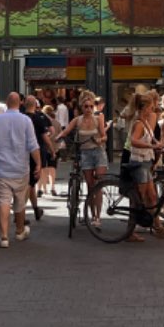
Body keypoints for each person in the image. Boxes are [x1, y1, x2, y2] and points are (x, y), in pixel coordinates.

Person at [0, 91, 39, 248]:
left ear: (6, 103)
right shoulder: (26, 120)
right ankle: (20, 231)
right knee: (20, 202)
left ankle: (4, 237)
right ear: (20, 103)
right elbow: (33, 145)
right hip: (21, 168)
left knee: (3, 201)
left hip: (1, 168)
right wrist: (39, 164)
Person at [56, 91, 107, 229]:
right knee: (91, 186)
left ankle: (98, 217)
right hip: (85, 153)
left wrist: (100, 140)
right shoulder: (77, 120)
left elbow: (104, 136)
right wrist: (58, 137)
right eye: (86, 106)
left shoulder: (99, 118)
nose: (89, 109)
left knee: (99, 184)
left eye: (91, 106)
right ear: (81, 107)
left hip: (98, 152)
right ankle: (92, 215)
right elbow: (66, 131)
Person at [126, 92, 164, 241]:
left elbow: (151, 140)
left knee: (152, 197)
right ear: (144, 108)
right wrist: (151, 145)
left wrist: (160, 145)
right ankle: (129, 232)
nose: (153, 110)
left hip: (146, 162)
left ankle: (158, 227)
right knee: (139, 199)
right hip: (139, 163)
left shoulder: (145, 121)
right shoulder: (139, 123)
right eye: (151, 107)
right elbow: (134, 141)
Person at [23, 95, 52, 220]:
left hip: (22, 154)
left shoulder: (21, 117)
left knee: (31, 184)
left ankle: (35, 209)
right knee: (30, 184)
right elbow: (45, 137)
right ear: (35, 105)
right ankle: (20, 213)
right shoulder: (39, 118)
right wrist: (52, 149)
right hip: (36, 154)